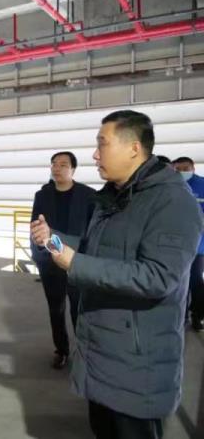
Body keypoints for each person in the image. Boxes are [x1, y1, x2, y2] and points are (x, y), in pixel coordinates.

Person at [31, 110, 203, 439]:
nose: (95, 154)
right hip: (102, 356)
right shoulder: (114, 197)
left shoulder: (172, 203)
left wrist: (75, 264)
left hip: (137, 366)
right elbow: (94, 249)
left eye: (102, 144)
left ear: (134, 148)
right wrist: (52, 240)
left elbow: (158, 277)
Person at [30, 151, 95, 369]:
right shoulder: (42, 195)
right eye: (54, 164)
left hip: (78, 262)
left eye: (63, 164)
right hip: (50, 262)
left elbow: (92, 232)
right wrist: (44, 253)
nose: (57, 168)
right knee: (55, 309)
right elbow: (36, 228)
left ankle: (84, 352)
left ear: (73, 169)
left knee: (79, 309)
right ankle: (61, 350)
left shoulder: (88, 196)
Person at [172, 156, 204, 331]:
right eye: (178, 169)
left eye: (185, 168)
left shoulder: (202, 185)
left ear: (193, 168)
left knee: (196, 280)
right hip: (175, 243)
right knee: (178, 281)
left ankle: (198, 315)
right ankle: (181, 316)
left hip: (198, 244)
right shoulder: (171, 185)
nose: (182, 172)